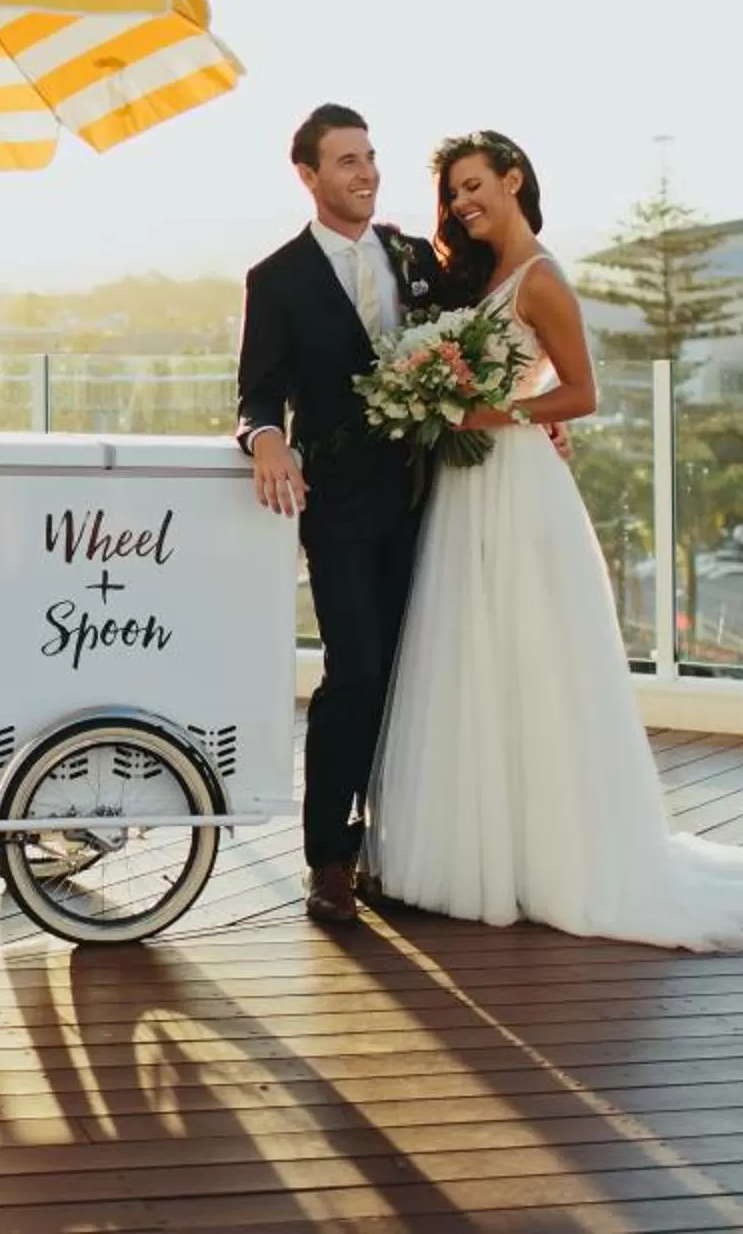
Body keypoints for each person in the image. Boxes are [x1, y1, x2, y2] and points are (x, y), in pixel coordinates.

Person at [364, 130, 743, 950]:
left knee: (532, 655)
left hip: (517, 484)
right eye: (453, 195)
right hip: (470, 488)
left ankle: (552, 857)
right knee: (473, 656)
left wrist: (496, 413)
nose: (464, 204)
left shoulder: (542, 280)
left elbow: (582, 392)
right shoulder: (480, 276)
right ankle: (479, 853)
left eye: (475, 186)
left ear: (513, 179)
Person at [235, 103, 445, 927]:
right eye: (346, 161)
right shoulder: (277, 278)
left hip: (434, 498)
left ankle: (410, 848)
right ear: (309, 175)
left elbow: (478, 341)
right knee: (354, 672)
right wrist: (263, 439)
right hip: (342, 511)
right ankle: (330, 856)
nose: (365, 173)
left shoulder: (412, 254)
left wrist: (540, 413)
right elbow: (256, 392)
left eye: (369, 158)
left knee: (418, 676)